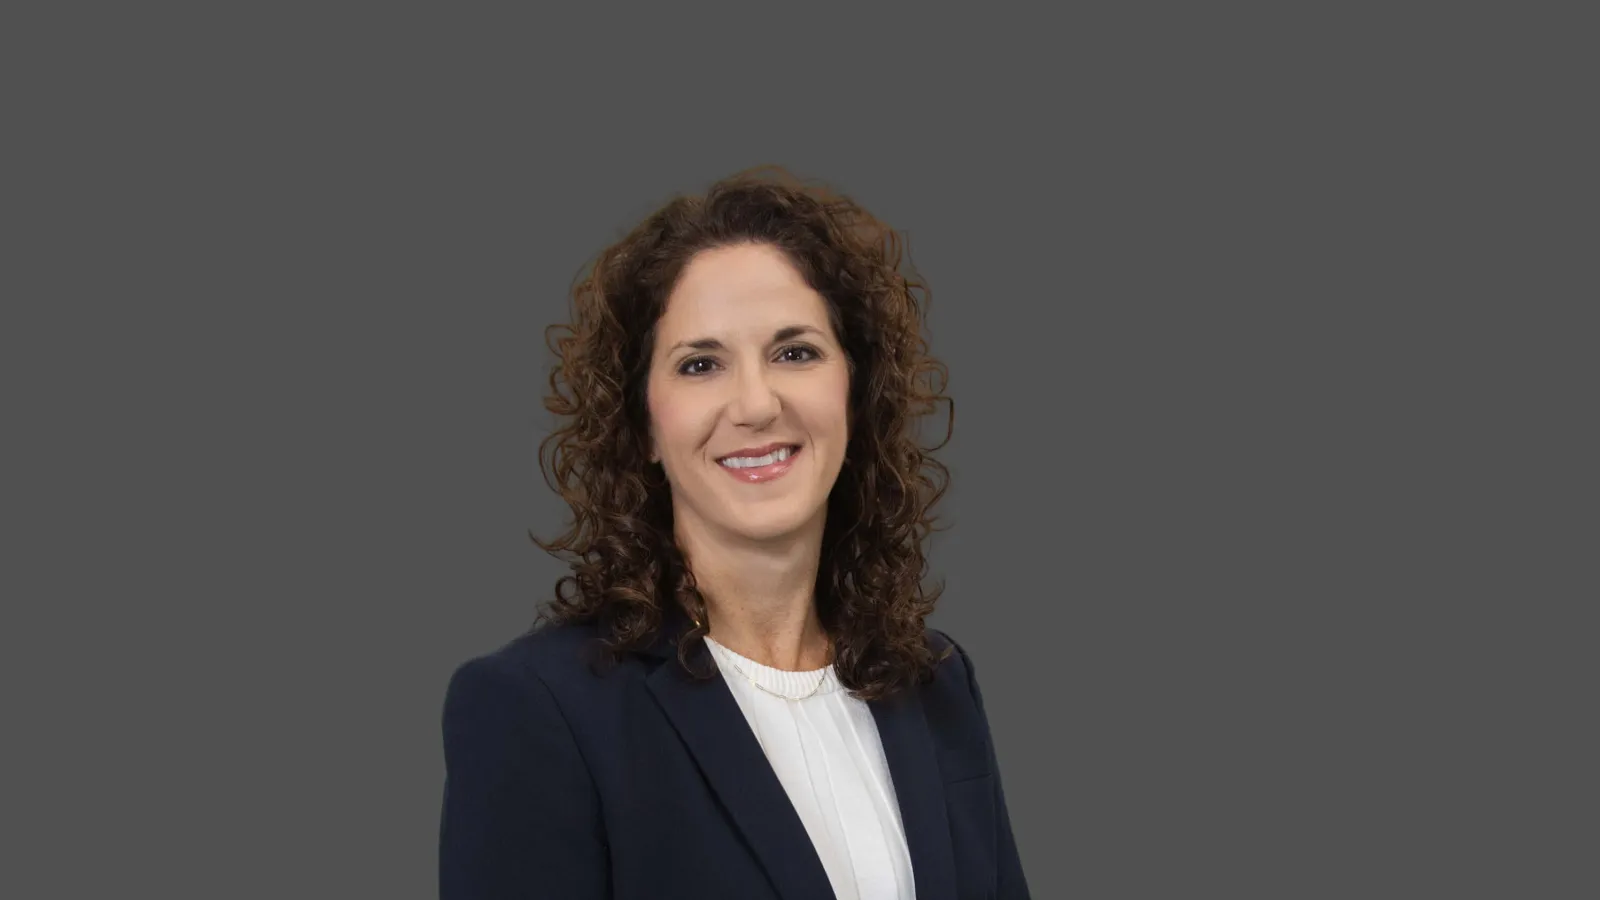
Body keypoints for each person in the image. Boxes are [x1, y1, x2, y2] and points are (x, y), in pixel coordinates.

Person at [439, 166, 1030, 899]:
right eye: (701, 364)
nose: (755, 404)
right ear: (643, 424)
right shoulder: (539, 708)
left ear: (855, 390)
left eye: (795, 352)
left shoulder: (933, 682)